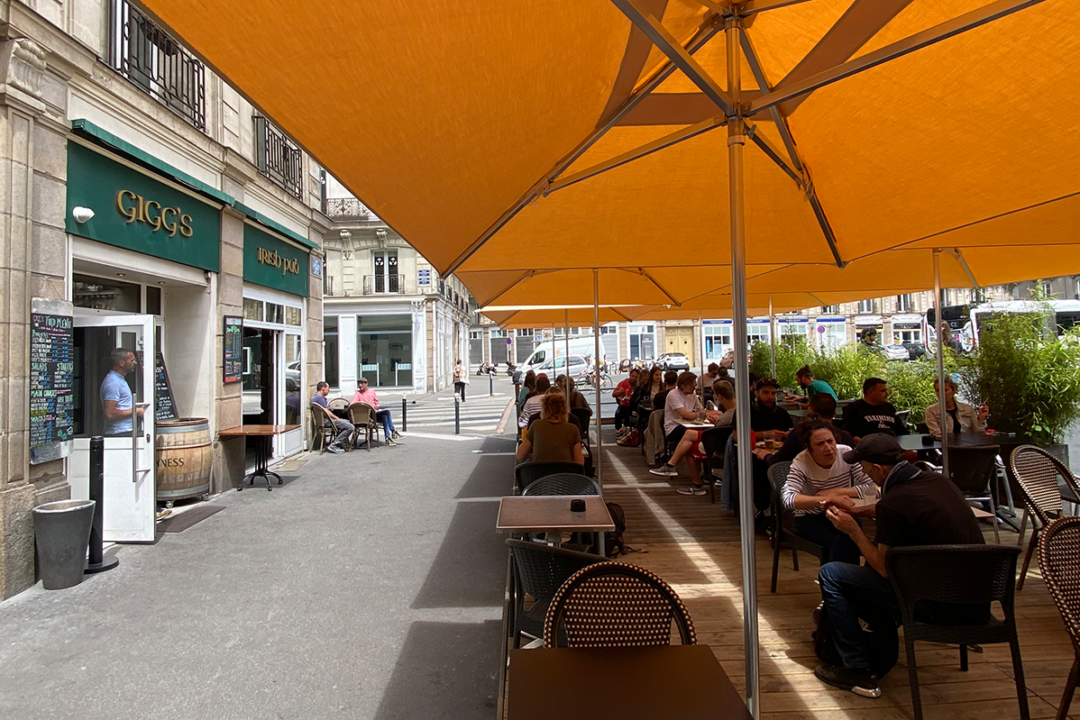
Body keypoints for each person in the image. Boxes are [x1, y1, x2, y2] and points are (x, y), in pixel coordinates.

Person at [813, 434, 985, 697]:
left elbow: (883, 569)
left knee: (832, 574)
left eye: (865, 468)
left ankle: (859, 670)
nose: (864, 473)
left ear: (879, 469)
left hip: (934, 606)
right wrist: (858, 512)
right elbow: (893, 508)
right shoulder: (938, 482)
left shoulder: (896, 504)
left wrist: (853, 531)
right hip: (976, 601)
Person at [781, 419, 875, 565]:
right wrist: (825, 501)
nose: (828, 448)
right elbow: (788, 499)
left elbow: (872, 488)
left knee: (850, 532)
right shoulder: (801, 462)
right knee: (842, 541)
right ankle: (846, 582)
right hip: (810, 516)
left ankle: (844, 581)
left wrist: (834, 492)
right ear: (808, 447)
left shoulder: (846, 454)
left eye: (830, 441)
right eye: (820, 444)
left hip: (841, 511)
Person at [651, 379, 735, 494]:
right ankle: (673, 467)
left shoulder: (726, 417)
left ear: (719, 396)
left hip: (719, 447)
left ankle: (694, 483)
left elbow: (717, 431)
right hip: (725, 442)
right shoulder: (737, 410)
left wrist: (715, 421)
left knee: (689, 443)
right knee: (689, 435)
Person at [756, 393, 854, 466]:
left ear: (810, 410)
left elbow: (779, 461)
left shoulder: (799, 434)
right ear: (834, 414)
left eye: (830, 441)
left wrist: (766, 456)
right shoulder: (847, 437)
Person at [515, 391, 584, 465]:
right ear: (565, 410)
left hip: (540, 474)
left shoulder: (536, 425)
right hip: (564, 473)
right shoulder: (573, 429)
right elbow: (579, 462)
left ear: (544, 409)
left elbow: (520, 455)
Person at [842, 378, 907, 442]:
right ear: (870, 392)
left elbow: (901, 430)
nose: (886, 394)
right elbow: (849, 434)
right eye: (883, 391)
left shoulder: (889, 407)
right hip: (868, 448)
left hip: (893, 446)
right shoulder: (854, 408)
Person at [100, 348, 143, 436]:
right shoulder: (113, 382)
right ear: (122, 363)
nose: (135, 363)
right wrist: (136, 411)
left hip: (126, 430)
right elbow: (109, 414)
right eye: (132, 360)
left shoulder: (119, 379)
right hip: (119, 433)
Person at [352, 378, 401, 446]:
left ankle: (387, 437)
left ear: (366, 384)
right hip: (366, 415)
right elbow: (353, 404)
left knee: (384, 416)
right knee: (387, 412)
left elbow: (376, 402)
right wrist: (363, 404)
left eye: (362, 383)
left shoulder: (372, 391)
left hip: (374, 412)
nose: (360, 385)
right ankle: (393, 431)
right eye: (359, 383)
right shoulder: (358, 394)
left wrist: (376, 406)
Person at [311, 382, 353, 453]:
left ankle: (340, 443)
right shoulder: (319, 398)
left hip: (321, 421)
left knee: (347, 422)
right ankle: (334, 444)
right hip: (326, 421)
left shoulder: (314, 397)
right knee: (350, 427)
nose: (329, 390)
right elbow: (327, 412)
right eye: (328, 388)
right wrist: (337, 418)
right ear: (323, 388)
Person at [613, 367, 640, 437]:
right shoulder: (624, 383)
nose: (634, 378)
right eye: (632, 376)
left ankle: (632, 431)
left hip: (635, 407)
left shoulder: (640, 385)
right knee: (618, 412)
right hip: (625, 405)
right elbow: (614, 394)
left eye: (636, 377)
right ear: (629, 375)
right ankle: (618, 430)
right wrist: (619, 391)